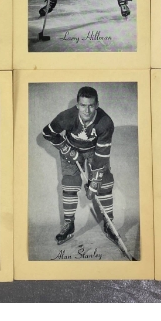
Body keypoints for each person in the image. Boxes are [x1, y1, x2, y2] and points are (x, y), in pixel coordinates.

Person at [42, 86, 117, 245]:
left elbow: (102, 155)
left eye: (91, 105)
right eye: (83, 105)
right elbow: (47, 133)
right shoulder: (66, 117)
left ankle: (109, 222)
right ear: (77, 105)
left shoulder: (105, 122)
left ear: (97, 105)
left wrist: (94, 183)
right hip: (71, 148)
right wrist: (66, 148)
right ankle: (69, 224)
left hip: (94, 150)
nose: (87, 110)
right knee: (69, 184)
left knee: (104, 183)